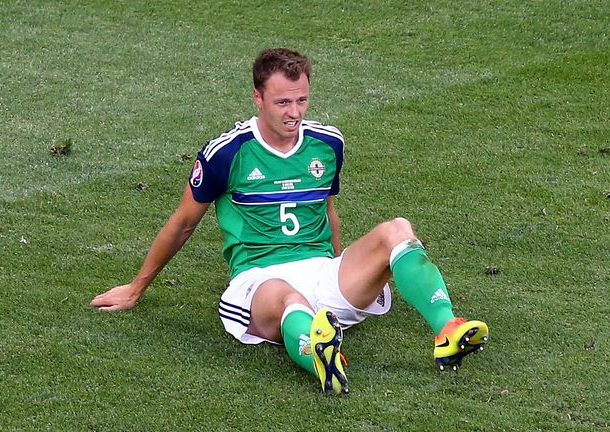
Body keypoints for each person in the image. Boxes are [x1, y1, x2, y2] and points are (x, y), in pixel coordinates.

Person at [91, 48, 489, 394]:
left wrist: (341, 267)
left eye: (302, 101)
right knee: (287, 296)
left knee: (398, 230)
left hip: (322, 272)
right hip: (258, 281)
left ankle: (446, 327)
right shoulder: (226, 153)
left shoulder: (328, 143)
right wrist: (136, 287)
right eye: (283, 103)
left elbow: (327, 209)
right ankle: (318, 355)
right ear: (258, 98)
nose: (294, 113)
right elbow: (182, 224)